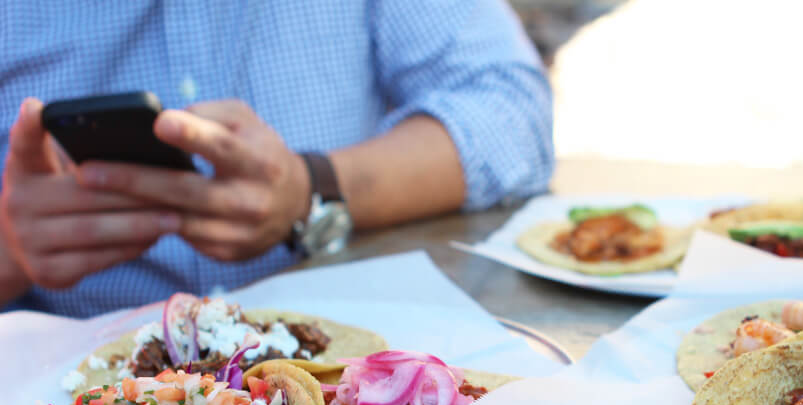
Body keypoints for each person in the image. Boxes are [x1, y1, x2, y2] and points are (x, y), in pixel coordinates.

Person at [0, 1, 554, 317]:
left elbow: (513, 112)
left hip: (344, 346)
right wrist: (12, 252)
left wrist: (310, 189)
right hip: (73, 402)